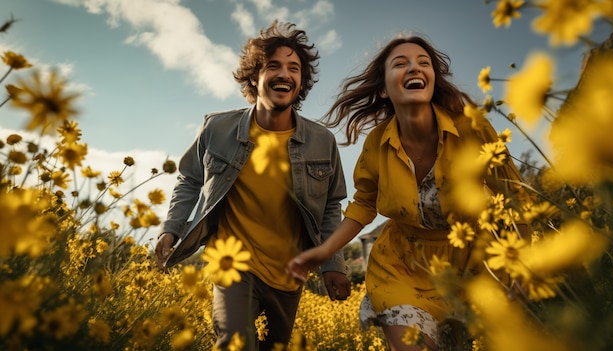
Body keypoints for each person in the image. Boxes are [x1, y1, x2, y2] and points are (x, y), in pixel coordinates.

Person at [287, 35, 530, 351]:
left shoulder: (473, 128)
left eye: (423, 63)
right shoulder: (376, 144)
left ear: (432, 80)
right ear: (384, 90)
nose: (414, 67)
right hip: (403, 266)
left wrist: (521, 264)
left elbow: (515, 197)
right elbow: (363, 204)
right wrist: (324, 251)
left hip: (475, 262)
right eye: (400, 63)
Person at [155, 21, 351, 350]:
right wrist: (171, 228)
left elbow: (331, 207)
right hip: (232, 264)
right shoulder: (217, 128)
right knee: (234, 342)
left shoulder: (322, 142)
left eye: (294, 68)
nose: (284, 74)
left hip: (289, 274)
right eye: (273, 66)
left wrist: (334, 265)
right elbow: (190, 179)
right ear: (254, 76)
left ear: (301, 81)